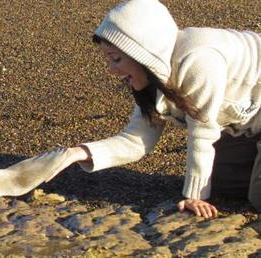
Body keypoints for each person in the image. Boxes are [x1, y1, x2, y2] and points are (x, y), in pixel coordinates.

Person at [47, 0, 261, 218]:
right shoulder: (156, 77)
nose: (112, 70)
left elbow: (202, 132)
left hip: (255, 110)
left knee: (257, 197)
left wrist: (196, 196)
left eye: (116, 59)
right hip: (244, 122)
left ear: (142, 52)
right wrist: (76, 154)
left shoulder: (197, 60)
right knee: (220, 185)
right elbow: (137, 139)